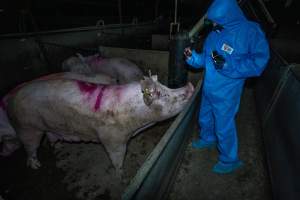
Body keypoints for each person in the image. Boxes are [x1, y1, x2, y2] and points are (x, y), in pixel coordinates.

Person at [184, 0, 270, 174]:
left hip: (227, 92)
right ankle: (207, 137)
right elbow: (205, 60)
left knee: (224, 126)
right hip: (209, 88)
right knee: (205, 117)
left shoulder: (250, 31)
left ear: (230, 15)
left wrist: (229, 67)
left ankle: (230, 160)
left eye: (218, 20)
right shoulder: (214, 33)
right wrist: (192, 58)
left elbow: (259, 62)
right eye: (213, 20)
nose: (214, 24)